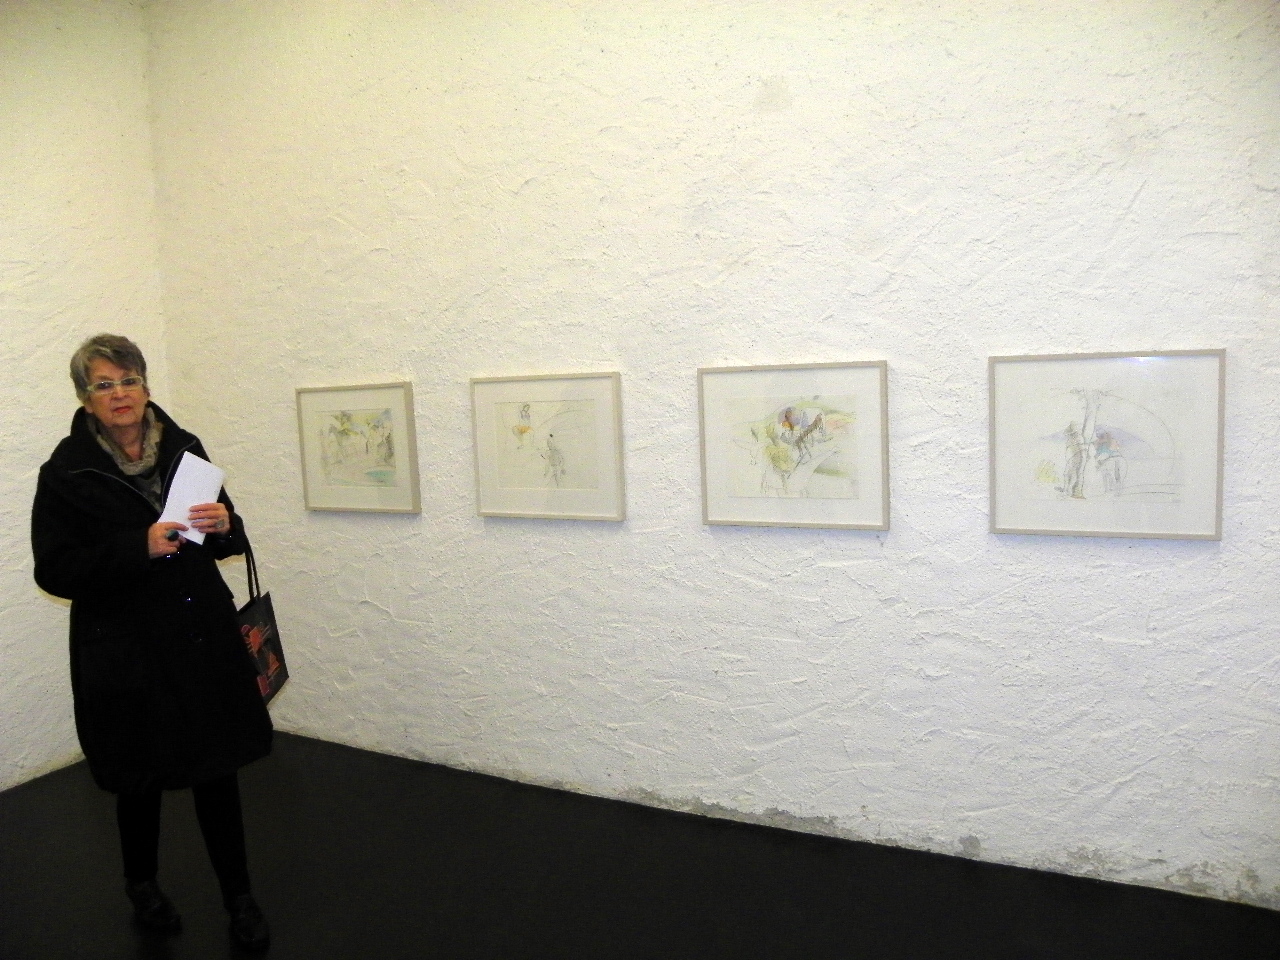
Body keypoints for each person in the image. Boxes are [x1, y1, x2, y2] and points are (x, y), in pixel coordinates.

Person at [31, 334, 273, 952]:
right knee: (138, 778)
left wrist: (226, 526)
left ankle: (240, 899)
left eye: (129, 380)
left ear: (145, 387)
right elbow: (54, 570)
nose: (120, 394)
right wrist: (134, 547)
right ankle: (142, 885)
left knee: (217, 774)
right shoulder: (65, 473)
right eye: (104, 385)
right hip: (125, 650)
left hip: (198, 636)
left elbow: (223, 532)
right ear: (86, 399)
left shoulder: (186, 448)